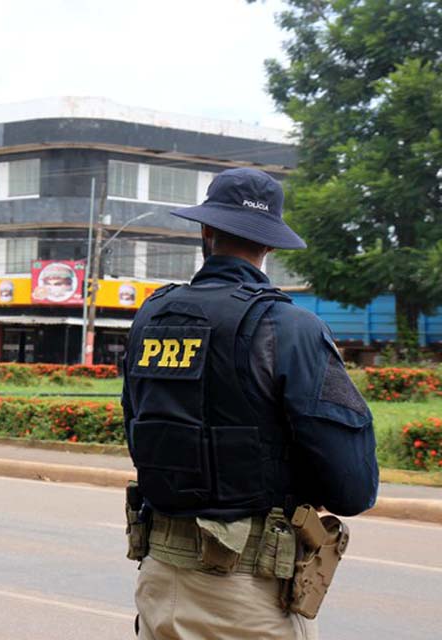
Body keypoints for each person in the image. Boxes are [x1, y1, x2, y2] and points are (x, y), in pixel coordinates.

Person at [121, 167, 378, 639]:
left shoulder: (151, 317)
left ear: (206, 230)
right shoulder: (289, 327)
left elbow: (140, 431)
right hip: (247, 599)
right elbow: (353, 487)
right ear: (270, 244)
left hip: (159, 586)